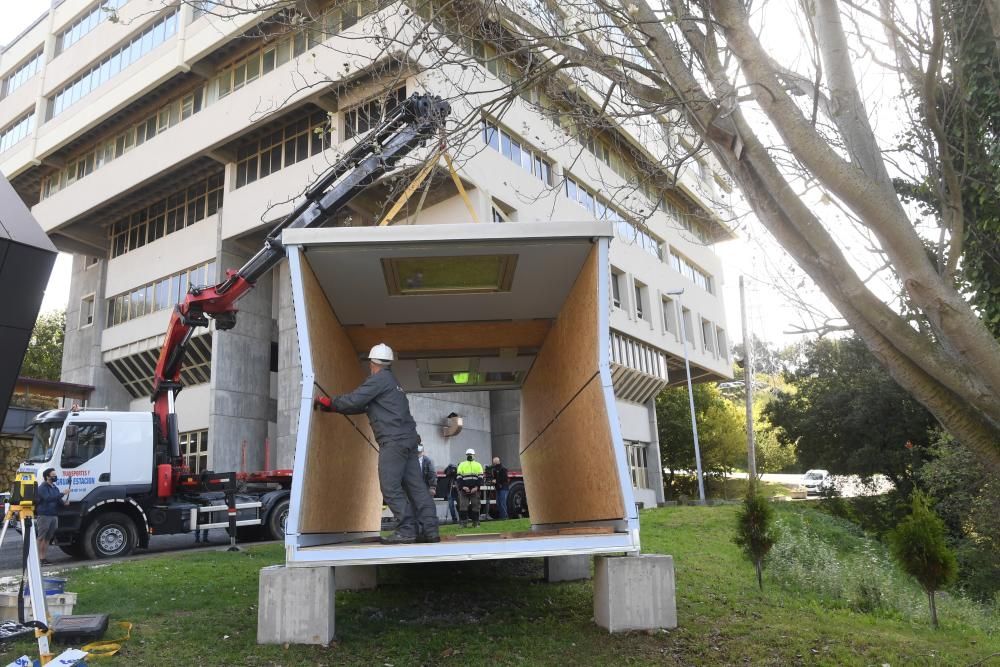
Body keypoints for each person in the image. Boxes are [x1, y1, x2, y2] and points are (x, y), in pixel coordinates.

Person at [314, 343, 439, 544]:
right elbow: (364, 405)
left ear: (372, 363)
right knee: (416, 488)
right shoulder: (392, 382)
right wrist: (335, 409)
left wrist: (331, 402)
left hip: (394, 441)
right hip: (408, 442)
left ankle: (407, 529)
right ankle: (431, 531)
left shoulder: (378, 380)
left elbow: (355, 400)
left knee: (389, 486)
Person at [35, 468, 69, 565]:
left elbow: (58, 501)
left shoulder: (55, 488)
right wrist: (63, 494)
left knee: (48, 538)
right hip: (44, 515)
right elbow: (48, 499)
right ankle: (39, 559)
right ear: (47, 477)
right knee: (41, 537)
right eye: (53, 475)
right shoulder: (42, 488)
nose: (55, 477)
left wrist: (64, 503)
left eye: (55, 475)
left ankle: (43, 558)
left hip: (54, 515)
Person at [457, 448, 484, 528]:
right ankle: (463, 523)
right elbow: (459, 478)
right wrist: (463, 487)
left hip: (475, 490)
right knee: (463, 506)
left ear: (474, 455)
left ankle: (475, 523)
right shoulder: (461, 465)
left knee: (475, 506)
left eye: (471, 454)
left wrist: (476, 487)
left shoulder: (478, 465)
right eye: (468, 454)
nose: (469, 456)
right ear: (466, 455)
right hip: (464, 490)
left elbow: (481, 478)